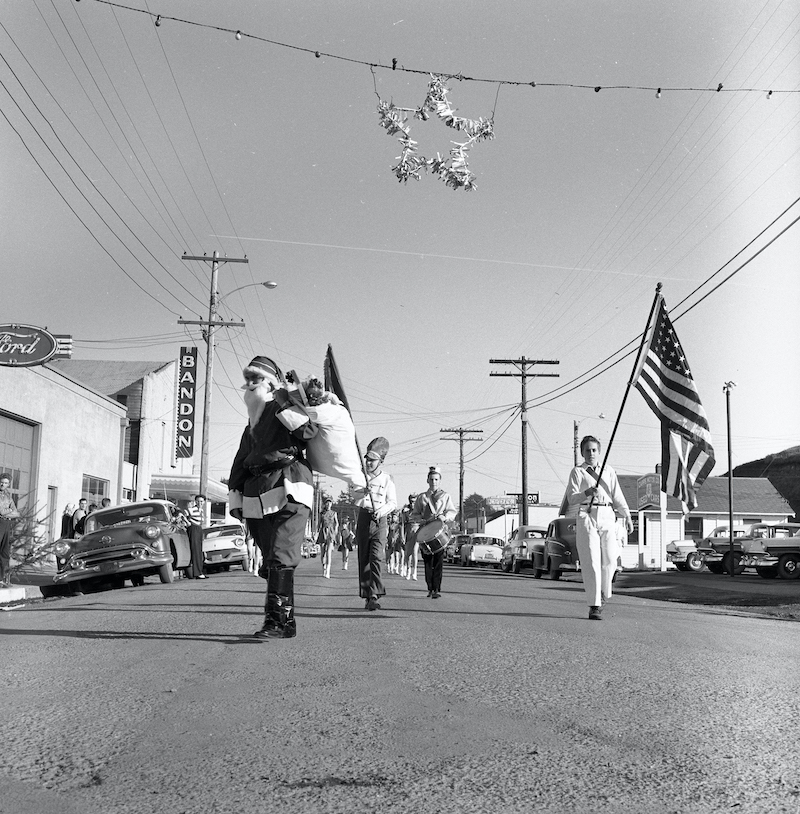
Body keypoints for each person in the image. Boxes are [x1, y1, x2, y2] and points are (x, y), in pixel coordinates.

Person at [228, 355, 318, 640]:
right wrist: (236, 497)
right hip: (258, 491)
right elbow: (241, 460)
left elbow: (307, 431)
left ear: (269, 383)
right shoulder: (251, 423)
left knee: (281, 553)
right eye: (248, 379)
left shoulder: (283, 407)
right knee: (271, 560)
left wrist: (282, 400)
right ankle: (287, 622)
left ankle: (275, 623)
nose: (250, 384)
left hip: (289, 485)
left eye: (256, 379)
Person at [564, 435, 633, 621]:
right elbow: (572, 497)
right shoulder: (578, 472)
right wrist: (587, 492)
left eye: (594, 450)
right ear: (582, 453)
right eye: (587, 450)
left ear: (599, 451)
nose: (591, 453)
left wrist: (626, 515)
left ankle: (603, 592)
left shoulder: (608, 471)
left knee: (610, 559)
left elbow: (617, 495)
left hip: (607, 515)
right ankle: (595, 605)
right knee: (592, 562)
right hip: (587, 514)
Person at [352, 437, 397, 611]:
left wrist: (382, 511)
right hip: (364, 518)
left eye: (372, 460)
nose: (368, 462)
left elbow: (392, 503)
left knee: (376, 557)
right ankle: (368, 596)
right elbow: (354, 496)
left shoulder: (387, 479)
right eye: (367, 459)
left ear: (381, 461)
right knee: (364, 558)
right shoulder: (360, 477)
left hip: (380, 521)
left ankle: (375, 594)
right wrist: (363, 491)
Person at [410, 466, 457, 599]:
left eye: (436, 479)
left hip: (440, 533)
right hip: (426, 533)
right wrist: (422, 520)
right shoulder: (422, 497)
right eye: (431, 479)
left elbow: (452, 511)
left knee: (438, 562)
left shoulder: (445, 496)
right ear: (427, 480)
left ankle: (436, 588)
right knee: (427, 562)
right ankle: (429, 588)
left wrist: (445, 517)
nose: (434, 482)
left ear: (440, 480)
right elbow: (415, 515)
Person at [0, 474, 20, 587]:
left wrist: (10, 512)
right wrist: (10, 511)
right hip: (0, 523)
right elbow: (2, 512)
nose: (3, 484)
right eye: (2, 482)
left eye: (6, 483)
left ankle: (2, 579)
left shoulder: (8, 495)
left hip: (6, 524)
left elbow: (16, 512)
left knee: (4, 552)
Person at [185, 494, 207, 580]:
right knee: (195, 551)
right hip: (193, 529)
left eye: (201, 501)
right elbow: (181, 514)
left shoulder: (201, 511)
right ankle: (197, 573)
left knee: (199, 551)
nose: (199, 503)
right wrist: (188, 522)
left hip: (199, 529)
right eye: (198, 501)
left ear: (204, 502)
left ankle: (200, 571)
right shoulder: (192, 509)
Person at [317, 497, 339, 579]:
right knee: (323, 554)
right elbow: (319, 524)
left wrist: (335, 530)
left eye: (330, 503)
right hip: (323, 532)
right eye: (327, 503)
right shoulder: (321, 513)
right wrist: (316, 533)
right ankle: (324, 568)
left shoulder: (334, 513)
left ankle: (328, 572)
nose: (328, 504)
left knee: (328, 552)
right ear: (325, 504)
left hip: (331, 532)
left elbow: (337, 523)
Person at [400, 494, 418, 580]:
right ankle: (408, 570)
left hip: (417, 533)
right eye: (411, 502)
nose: (413, 504)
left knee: (415, 552)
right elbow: (402, 524)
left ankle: (414, 572)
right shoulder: (405, 511)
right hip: (408, 532)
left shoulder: (419, 511)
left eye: (414, 502)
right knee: (408, 554)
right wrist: (402, 536)